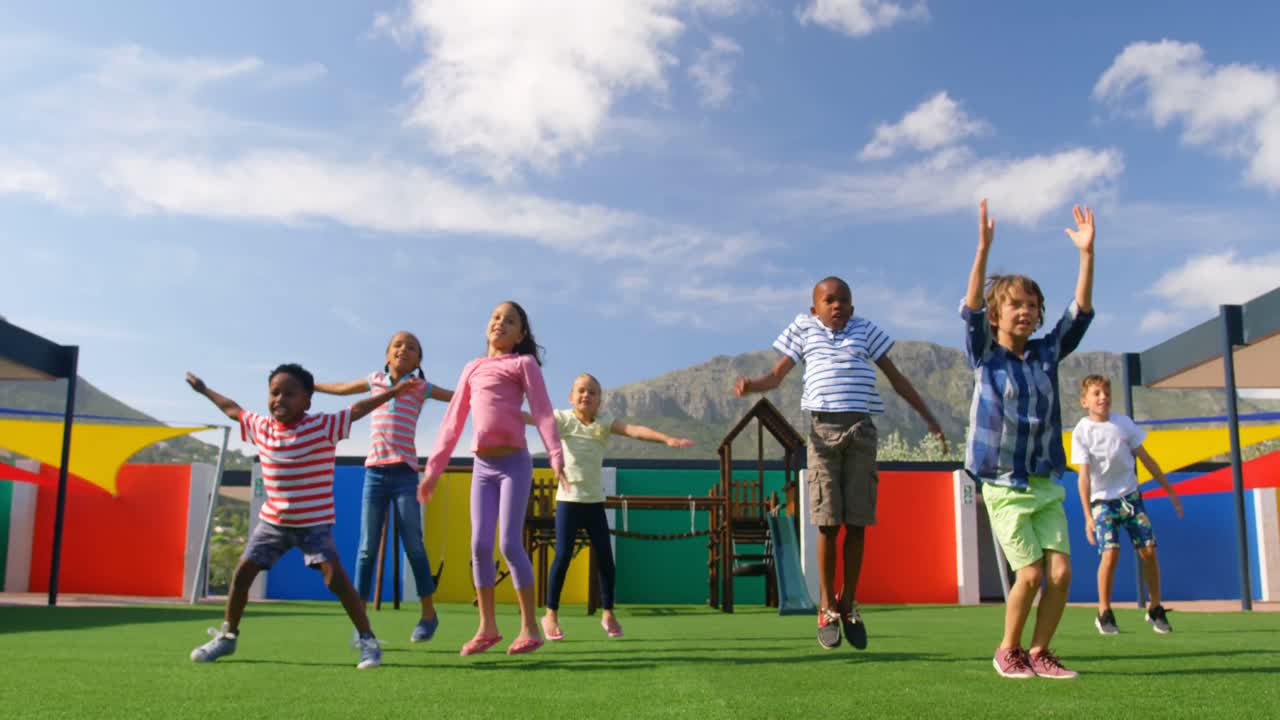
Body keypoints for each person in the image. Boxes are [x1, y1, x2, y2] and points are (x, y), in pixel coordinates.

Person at [734, 275, 945, 650]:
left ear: (853, 306)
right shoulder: (804, 329)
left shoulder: (865, 331)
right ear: (814, 308)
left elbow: (896, 378)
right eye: (829, 301)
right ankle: (827, 605)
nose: (837, 307)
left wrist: (928, 416)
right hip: (823, 433)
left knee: (858, 523)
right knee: (829, 523)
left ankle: (849, 602)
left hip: (861, 432)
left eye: (844, 301)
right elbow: (777, 375)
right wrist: (753, 385)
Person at [186, 364, 421, 669]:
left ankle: (367, 640)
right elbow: (232, 409)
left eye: (289, 394)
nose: (279, 399)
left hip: (314, 522)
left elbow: (358, 408)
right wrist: (204, 390)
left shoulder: (323, 426)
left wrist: (393, 392)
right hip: (273, 523)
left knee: (335, 579)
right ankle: (227, 638)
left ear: (307, 401)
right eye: (274, 393)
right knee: (243, 572)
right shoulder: (261, 427)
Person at [963, 199, 1095, 679]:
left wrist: (1086, 254)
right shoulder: (984, 355)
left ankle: (1040, 652)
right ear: (998, 315)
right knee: (1032, 573)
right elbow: (972, 308)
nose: (1026, 311)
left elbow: (1078, 316)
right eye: (1015, 304)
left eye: (1032, 305)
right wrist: (982, 251)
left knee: (1060, 574)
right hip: (1002, 483)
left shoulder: (1045, 355)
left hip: (1044, 482)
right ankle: (1008, 649)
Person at [419, 301, 565, 656]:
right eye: (496, 317)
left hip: (515, 464)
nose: (500, 323)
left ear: (521, 334)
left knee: (509, 545)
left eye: (510, 320)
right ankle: (487, 627)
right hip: (482, 468)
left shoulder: (523, 364)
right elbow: (452, 422)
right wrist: (433, 470)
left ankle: (530, 627)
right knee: (479, 547)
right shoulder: (472, 368)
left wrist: (556, 456)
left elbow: (544, 412)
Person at [530, 373, 694, 641]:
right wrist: (501, 411)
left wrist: (667, 439)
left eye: (592, 392)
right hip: (568, 503)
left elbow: (634, 430)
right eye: (581, 391)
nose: (586, 395)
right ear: (571, 397)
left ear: (600, 401)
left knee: (606, 559)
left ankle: (608, 613)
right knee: (562, 557)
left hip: (594, 503)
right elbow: (534, 417)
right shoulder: (563, 419)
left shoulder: (604, 422)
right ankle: (550, 614)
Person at [315, 331, 454, 644]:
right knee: (366, 550)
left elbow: (456, 397)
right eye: (398, 345)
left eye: (412, 347)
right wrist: (311, 385)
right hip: (375, 475)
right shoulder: (375, 380)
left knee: (414, 544)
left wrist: (486, 389)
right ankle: (361, 623)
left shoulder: (421, 387)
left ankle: (429, 614)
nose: (404, 349)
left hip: (405, 475)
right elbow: (341, 389)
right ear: (388, 355)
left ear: (419, 361)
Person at [1072, 374, 1183, 635]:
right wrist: (1088, 516)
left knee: (1148, 550)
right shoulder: (1082, 431)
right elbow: (1084, 477)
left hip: (1131, 498)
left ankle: (1155, 608)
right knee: (1110, 554)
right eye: (1097, 393)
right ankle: (1104, 613)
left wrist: (1171, 492)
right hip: (1102, 502)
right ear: (1084, 401)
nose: (1103, 397)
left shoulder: (1123, 424)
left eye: (1106, 393)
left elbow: (1147, 459)